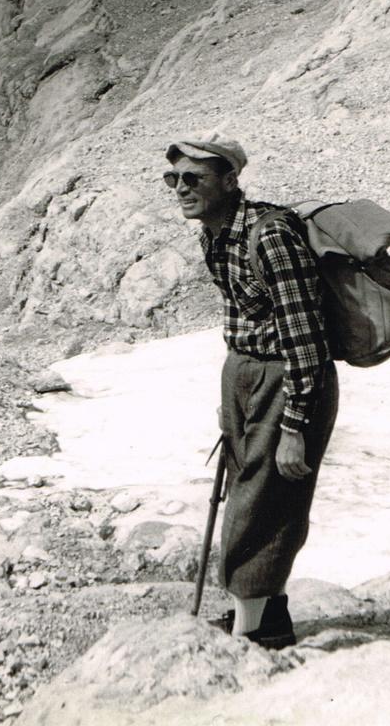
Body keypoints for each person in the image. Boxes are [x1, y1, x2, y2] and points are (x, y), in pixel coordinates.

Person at [164, 134, 338, 647]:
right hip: (244, 372)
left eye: (193, 178)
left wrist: (295, 426)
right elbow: (244, 314)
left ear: (230, 179)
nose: (180, 189)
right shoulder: (214, 234)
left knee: (264, 501)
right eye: (173, 179)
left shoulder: (271, 234)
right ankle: (269, 617)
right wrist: (232, 396)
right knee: (250, 494)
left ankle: (252, 635)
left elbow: (305, 336)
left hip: (287, 377)